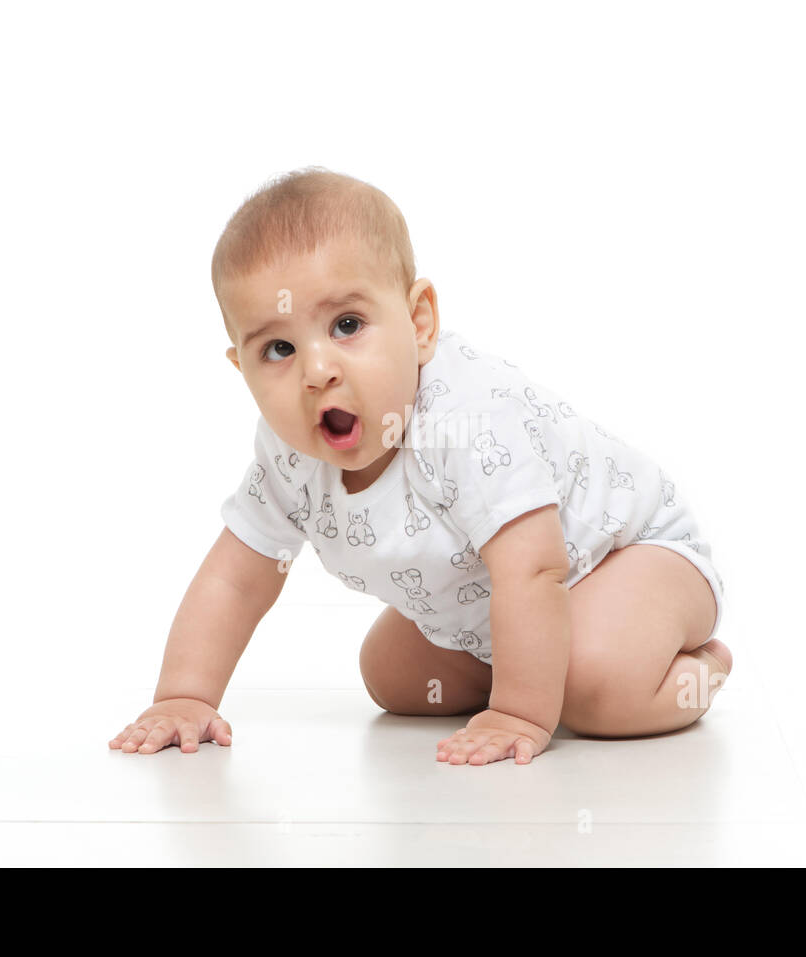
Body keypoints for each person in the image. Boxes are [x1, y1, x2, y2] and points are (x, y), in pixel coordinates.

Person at [108, 167, 731, 766]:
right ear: (242, 369)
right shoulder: (287, 456)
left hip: (632, 560)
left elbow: (535, 567)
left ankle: (694, 670)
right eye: (278, 348)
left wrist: (520, 712)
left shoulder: (465, 420)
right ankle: (539, 664)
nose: (316, 369)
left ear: (419, 322)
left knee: (595, 687)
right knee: (394, 676)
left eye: (347, 325)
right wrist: (184, 697)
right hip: (501, 605)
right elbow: (235, 580)